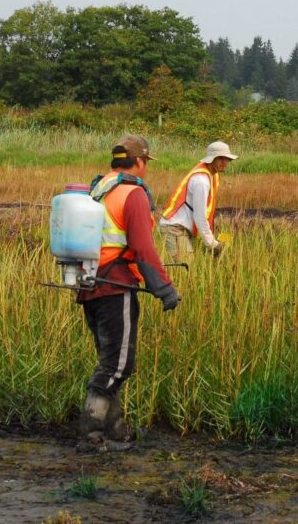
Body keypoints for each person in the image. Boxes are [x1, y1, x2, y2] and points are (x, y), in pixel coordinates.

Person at [77, 134, 181, 445]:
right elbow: (142, 249)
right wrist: (164, 289)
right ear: (139, 161)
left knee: (111, 359)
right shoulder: (132, 193)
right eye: (146, 162)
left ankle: (115, 429)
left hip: (89, 284)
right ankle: (90, 431)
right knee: (118, 364)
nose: (146, 167)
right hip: (115, 285)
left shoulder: (99, 189)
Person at [158, 141, 237, 263]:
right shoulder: (201, 181)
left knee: (188, 269)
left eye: (227, 159)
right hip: (175, 228)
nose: (224, 162)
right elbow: (199, 216)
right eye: (220, 158)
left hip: (183, 228)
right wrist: (212, 244)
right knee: (186, 269)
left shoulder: (212, 175)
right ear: (211, 159)